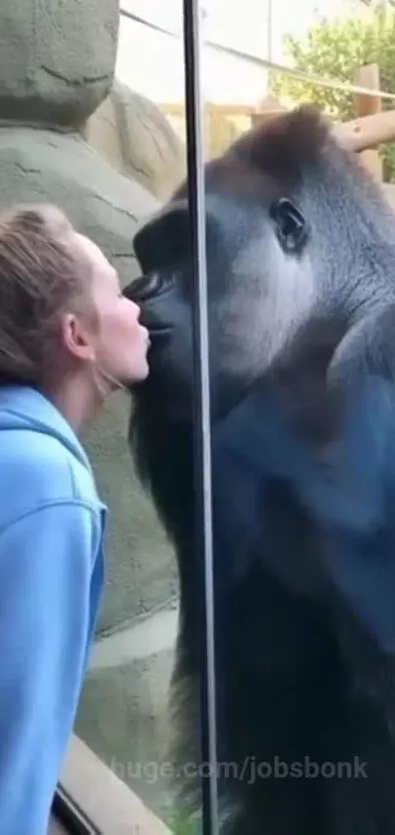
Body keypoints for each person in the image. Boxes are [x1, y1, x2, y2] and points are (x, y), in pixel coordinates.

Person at [0, 203, 150, 833]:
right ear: (77, 336)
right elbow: (14, 745)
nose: (139, 308)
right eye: (115, 291)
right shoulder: (46, 486)